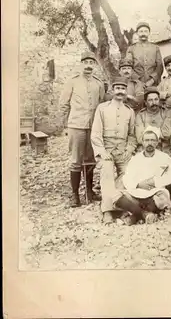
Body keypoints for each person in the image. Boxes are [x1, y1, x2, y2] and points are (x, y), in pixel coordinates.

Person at [60, 51, 105, 208]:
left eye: (91, 63)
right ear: (81, 64)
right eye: (85, 62)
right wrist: (66, 126)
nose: (88, 65)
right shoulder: (72, 82)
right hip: (76, 126)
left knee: (90, 159)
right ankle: (74, 195)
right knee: (76, 161)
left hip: (93, 127)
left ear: (94, 65)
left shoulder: (98, 83)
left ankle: (90, 192)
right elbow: (64, 105)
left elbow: (101, 104)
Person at [90, 77, 137, 224]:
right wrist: (102, 152)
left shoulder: (130, 111)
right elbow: (96, 133)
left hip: (123, 150)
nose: (120, 92)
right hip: (106, 149)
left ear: (126, 92)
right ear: (112, 91)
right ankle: (107, 211)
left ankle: (117, 202)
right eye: (117, 89)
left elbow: (132, 135)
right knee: (107, 171)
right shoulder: (102, 108)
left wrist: (129, 149)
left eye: (123, 89)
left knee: (130, 173)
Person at [120, 126, 171, 225]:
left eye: (152, 140)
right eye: (147, 140)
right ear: (142, 142)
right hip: (137, 192)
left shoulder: (164, 157)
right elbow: (127, 178)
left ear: (157, 142)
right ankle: (145, 214)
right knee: (117, 196)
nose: (149, 143)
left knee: (162, 198)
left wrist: (154, 182)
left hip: (155, 192)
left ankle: (135, 215)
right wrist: (138, 184)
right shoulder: (135, 159)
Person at [126, 21, 163, 87]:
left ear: (149, 33)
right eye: (141, 31)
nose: (143, 34)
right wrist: (138, 81)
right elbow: (128, 67)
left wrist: (152, 80)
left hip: (153, 84)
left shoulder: (155, 47)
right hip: (136, 84)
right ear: (137, 33)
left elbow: (159, 66)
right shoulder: (131, 48)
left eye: (146, 31)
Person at [135, 87, 171, 154]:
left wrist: (147, 131)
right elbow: (140, 138)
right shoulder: (140, 115)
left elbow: (166, 134)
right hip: (144, 148)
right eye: (150, 100)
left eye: (156, 99)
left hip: (163, 148)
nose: (154, 102)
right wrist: (159, 133)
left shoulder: (166, 113)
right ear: (145, 102)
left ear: (159, 100)